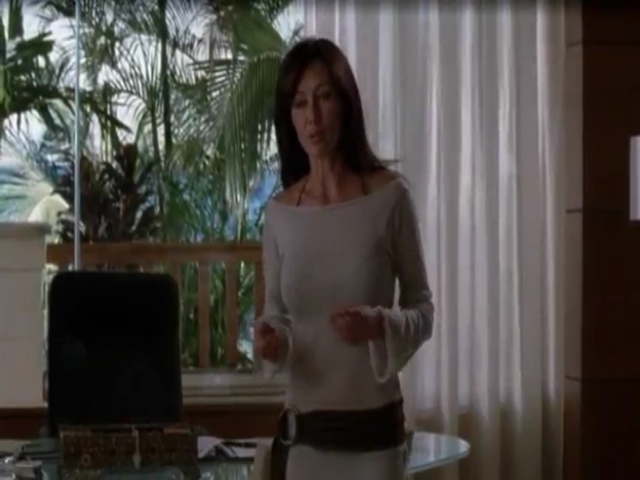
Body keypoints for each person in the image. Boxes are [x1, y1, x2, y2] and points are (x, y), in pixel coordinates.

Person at [253, 37, 435, 480]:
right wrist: (271, 342)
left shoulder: (390, 198)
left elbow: (423, 309)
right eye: (299, 103)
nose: (312, 118)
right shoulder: (279, 215)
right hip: (305, 444)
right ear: (289, 117)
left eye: (324, 98)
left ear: (346, 102)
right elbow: (277, 317)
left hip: (375, 443)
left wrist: (379, 325)